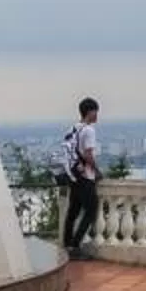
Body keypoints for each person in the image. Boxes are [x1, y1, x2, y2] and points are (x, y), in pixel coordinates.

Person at [58, 97, 102, 258]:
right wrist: (96, 171)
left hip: (73, 175)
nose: (97, 115)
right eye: (96, 111)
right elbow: (88, 154)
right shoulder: (89, 130)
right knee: (91, 210)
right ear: (90, 112)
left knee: (73, 211)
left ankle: (67, 244)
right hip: (85, 176)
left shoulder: (73, 129)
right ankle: (75, 246)